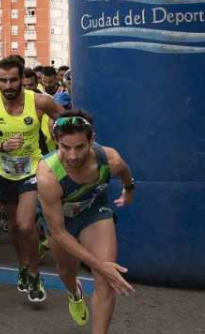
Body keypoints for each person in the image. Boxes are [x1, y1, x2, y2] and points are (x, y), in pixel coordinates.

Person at [0, 55, 62, 303]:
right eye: (3, 81)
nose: (9, 86)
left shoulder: (40, 101)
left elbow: (65, 120)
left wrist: (64, 144)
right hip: (4, 173)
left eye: (13, 80)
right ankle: (23, 265)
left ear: (23, 79)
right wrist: (1, 146)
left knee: (25, 224)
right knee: (14, 228)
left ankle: (35, 273)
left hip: (33, 169)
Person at [36, 109, 136, 333]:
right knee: (66, 271)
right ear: (56, 142)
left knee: (106, 279)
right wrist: (98, 265)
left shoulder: (109, 159)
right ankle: (74, 293)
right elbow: (59, 232)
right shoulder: (47, 175)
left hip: (93, 211)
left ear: (92, 139)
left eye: (80, 147)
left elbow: (125, 171)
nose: (73, 155)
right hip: (62, 224)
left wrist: (129, 188)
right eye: (65, 147)